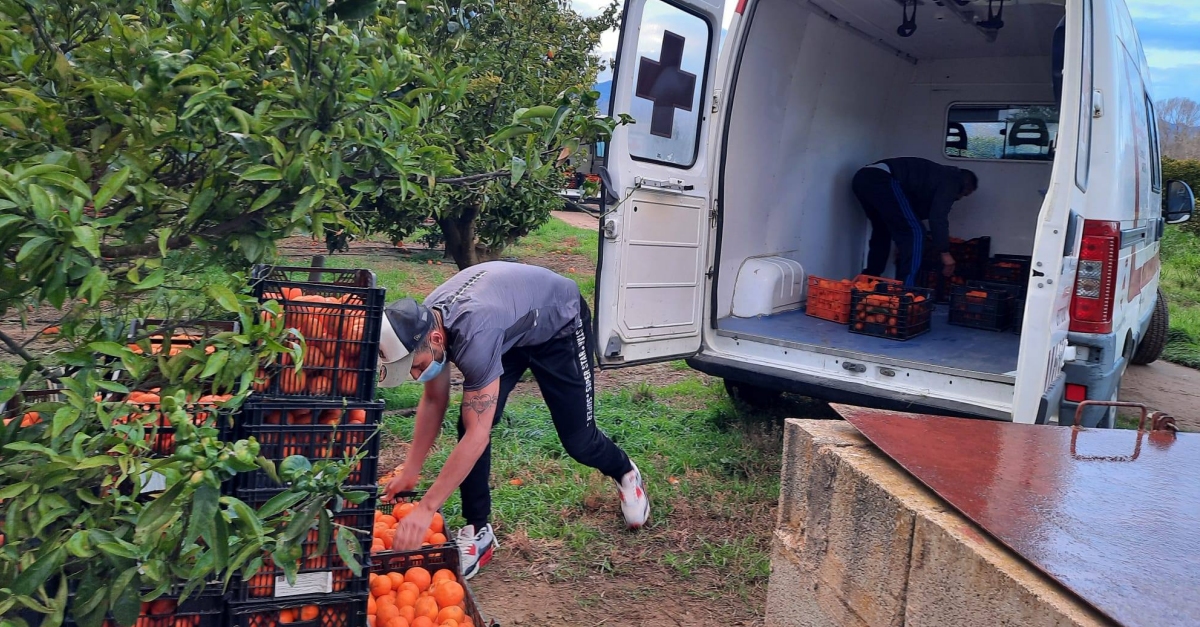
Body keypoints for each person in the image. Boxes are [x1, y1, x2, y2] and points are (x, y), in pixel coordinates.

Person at [376, 261, 650, 579]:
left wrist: (426, 508)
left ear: (437, 339)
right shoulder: (422, 326)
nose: (415, 375)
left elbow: (477, 438)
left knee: (579, 441)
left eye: (416, 366)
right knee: (470, 422)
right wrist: (411, 470)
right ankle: (479, 531)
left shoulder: (474, 335)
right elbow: (435, 398)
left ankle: (626, 472)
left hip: (559, 324)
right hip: (513, 330)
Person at [852, 157, 978, 285]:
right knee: (916, 232)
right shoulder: (952, 180)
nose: (960, 198)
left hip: (862, 178)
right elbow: (938, 217)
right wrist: (944, 252)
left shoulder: (936, 176)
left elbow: (906, 214)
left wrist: (905, 245)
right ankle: (906, 292)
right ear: (965, 185)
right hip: (882, 179)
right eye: (965, 194)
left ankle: (867, 282)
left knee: (883, 230)